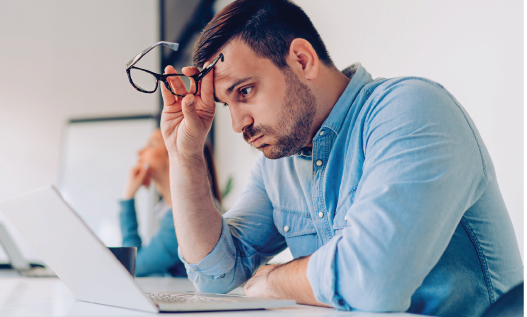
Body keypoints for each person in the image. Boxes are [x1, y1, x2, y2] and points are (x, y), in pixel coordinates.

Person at [155, 1, 523, 316]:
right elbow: (215, 275)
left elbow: (374, 282)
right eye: (226, 104)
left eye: (245, 91)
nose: (237, 124)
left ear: (302, 59)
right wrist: (184, 155)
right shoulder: (277, 164)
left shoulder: (410, 108)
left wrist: (275, 278)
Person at [118, 129, 221, 277]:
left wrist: (128, 198)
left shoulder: (188, 214)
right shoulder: (167, 211)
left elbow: (133, 266)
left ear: (174, 154)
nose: (140, 152)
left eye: (152, 144)